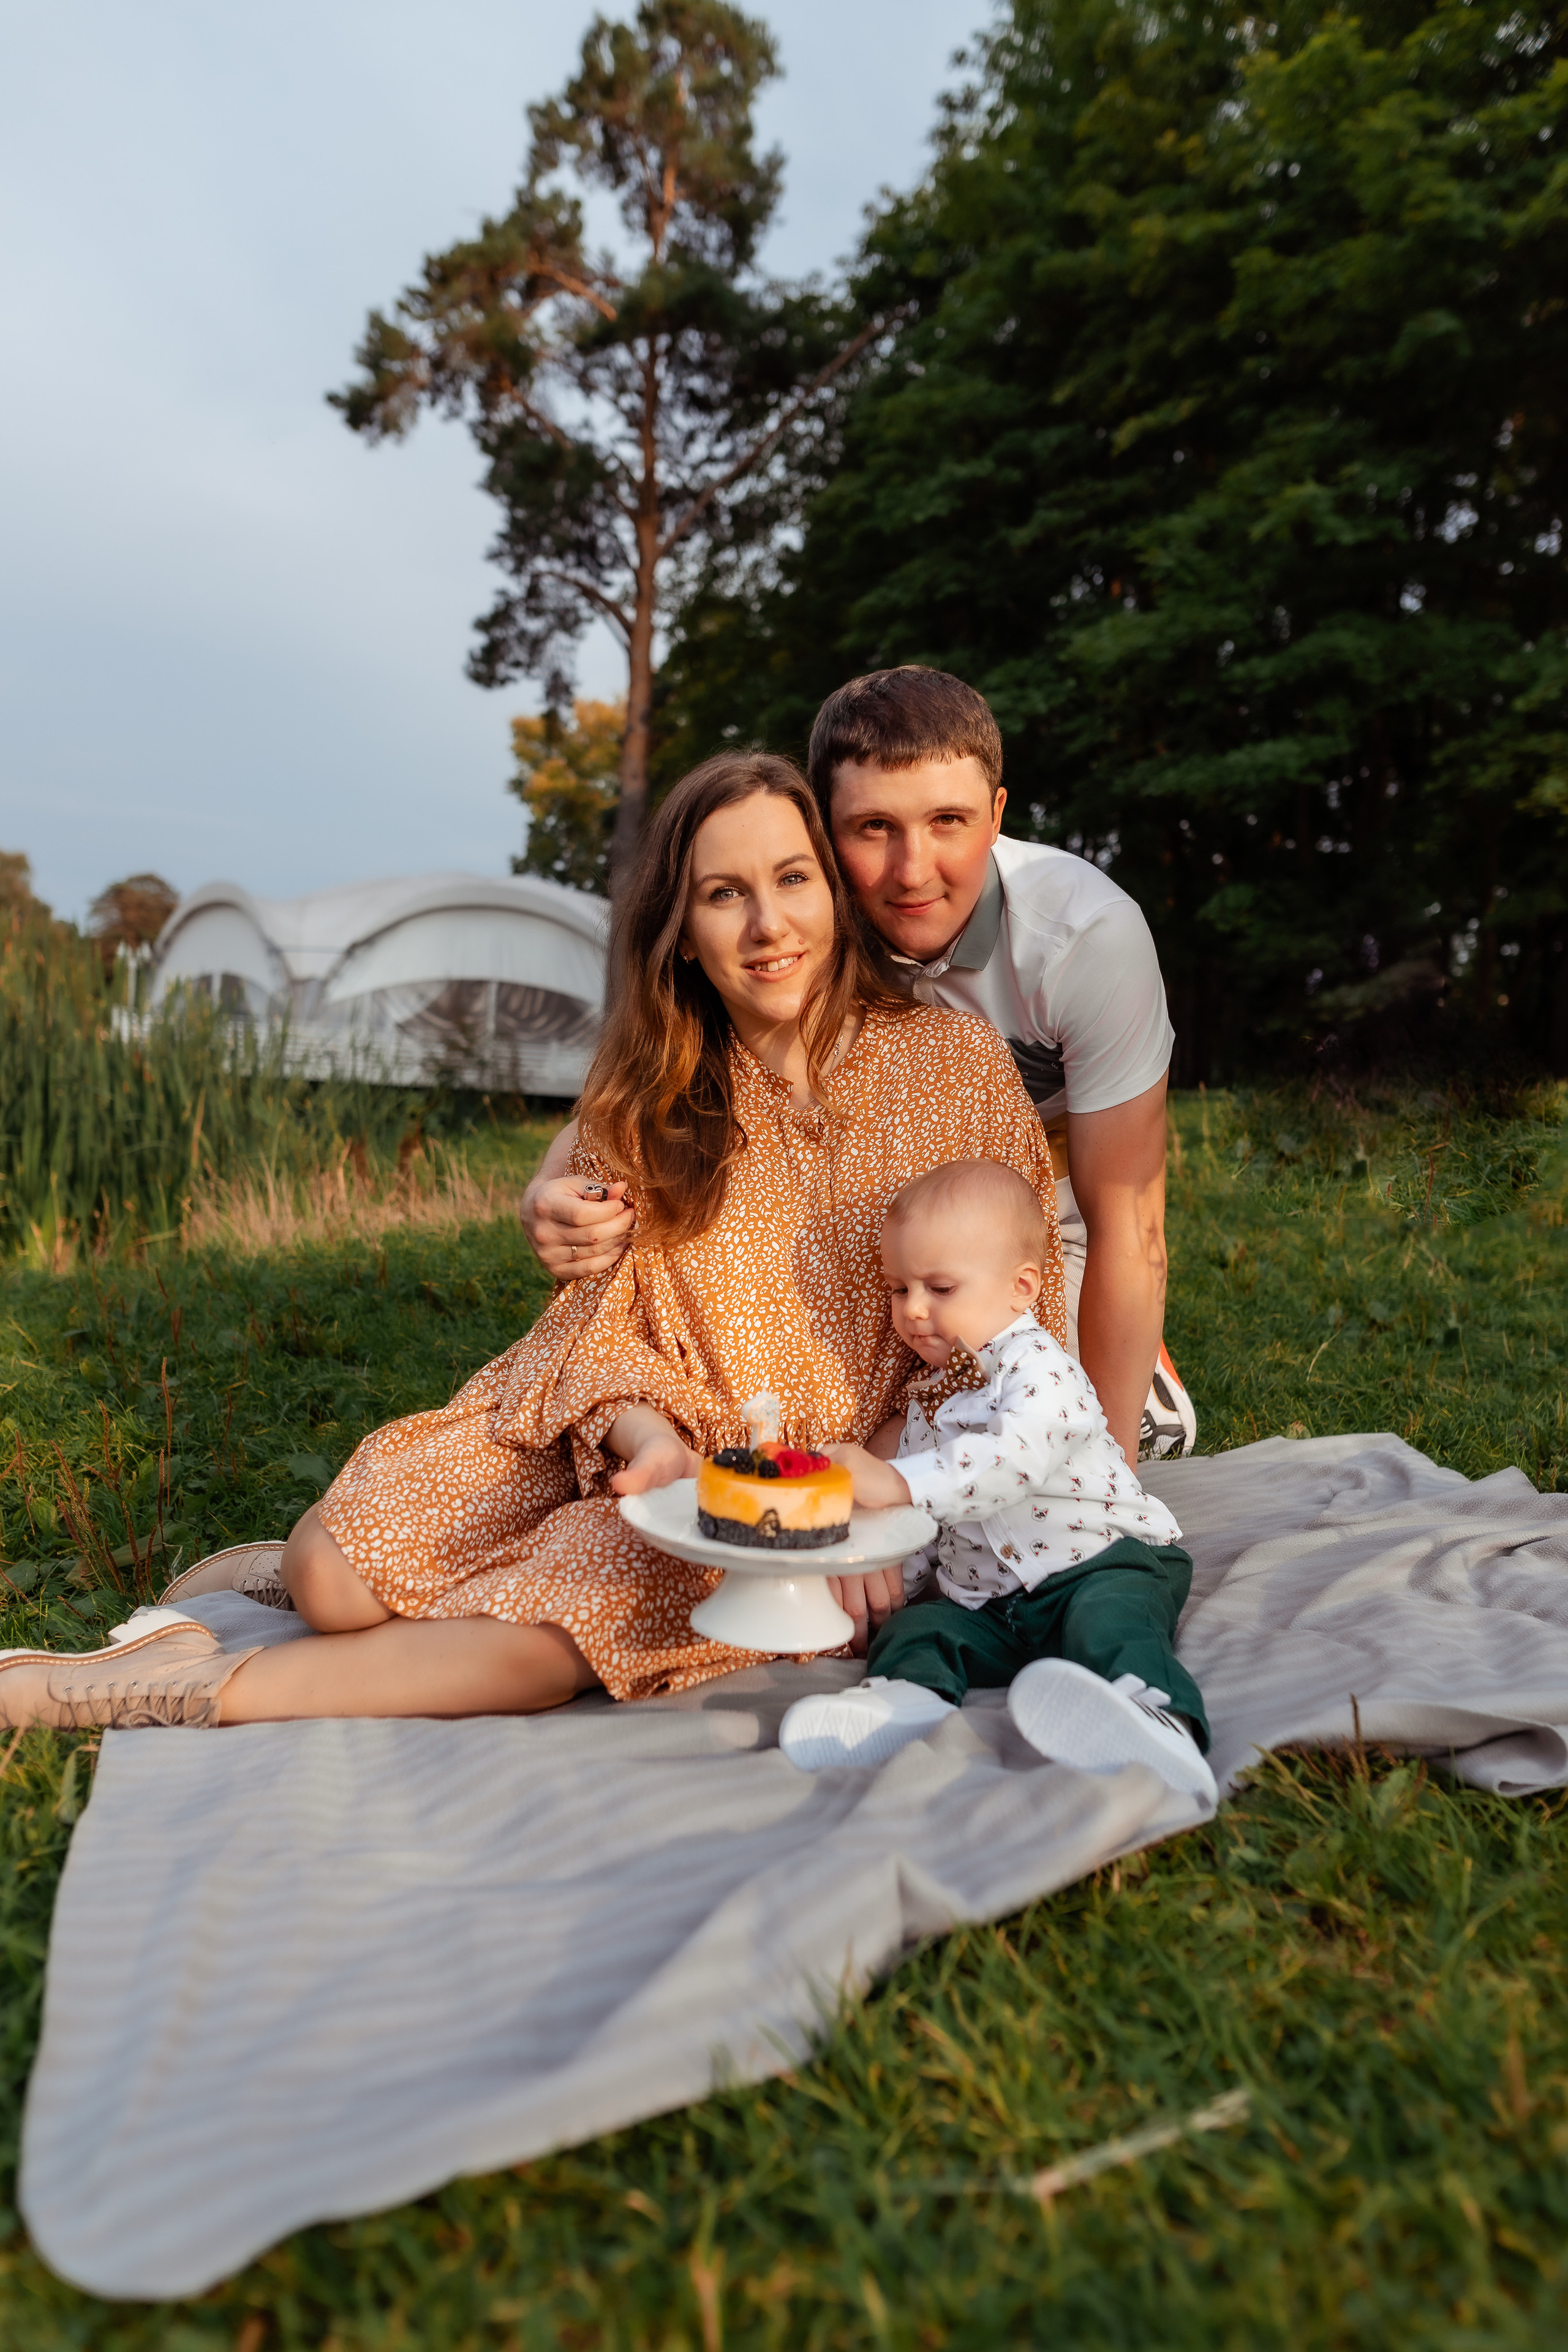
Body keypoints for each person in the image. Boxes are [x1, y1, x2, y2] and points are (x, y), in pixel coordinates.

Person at [0, 754, 1069, 1734]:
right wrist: (644, 1436)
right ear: (681, 929)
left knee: (539, 1655)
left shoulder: (954, 1067)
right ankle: (286, 1569)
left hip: (788, 1488)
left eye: (792, 880)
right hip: (615, 1421)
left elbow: (1017, 1321)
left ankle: (145, 1687)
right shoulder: (653, 1096)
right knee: (332, 1584)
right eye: (722, 894)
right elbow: (597, 1322)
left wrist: (865, 1499)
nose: (766, 927)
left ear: (831, 892)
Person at [521, 667, 1193, 1473]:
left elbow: (1132, 1224)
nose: (912, 870)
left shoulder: (1087, 939)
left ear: (998, 815)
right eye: (874, 828)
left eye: (950, 821)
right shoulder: (801, 907)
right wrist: (551, 1188)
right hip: (868, 1187)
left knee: (1046, 1436)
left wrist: (1104, 1478)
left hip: (1047, 1206)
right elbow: (651, 1081)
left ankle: (1146, 1397)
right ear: (822, 826)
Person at [777, 1159, 1216, 1806]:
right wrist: (884, 1583)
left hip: (1098, 1564)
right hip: (993, 1604)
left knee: (1107, 1624)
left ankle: (1156, 1720)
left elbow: (1005, 1465)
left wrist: (893, 1481)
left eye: (940, 1288)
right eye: (899, 1289)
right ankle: (904, 1700)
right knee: (921, 1631)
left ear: (1021, 1287)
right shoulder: (931, 1398)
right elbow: (931, 1520)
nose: (913, 1310)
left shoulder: (1043, 1373)